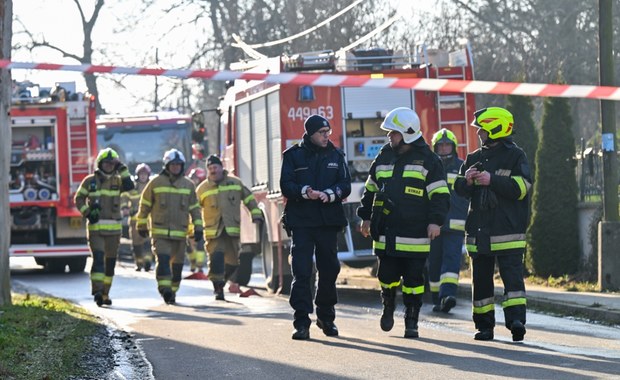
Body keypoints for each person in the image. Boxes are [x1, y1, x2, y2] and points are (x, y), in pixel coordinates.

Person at [357, 107, 449, 338]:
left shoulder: (429, 160)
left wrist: (435, 222)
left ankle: (411, 318)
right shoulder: (384, 155)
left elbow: (440, 195)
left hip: (415, 234)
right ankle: (388, 305)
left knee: (414, 280)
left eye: (394, 133)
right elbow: (370, 190)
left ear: (407, 134)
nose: (389, 137)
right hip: (386, 232)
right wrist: (365, 217)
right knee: (386, 276)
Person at [453, 107, 532, 342]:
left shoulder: (516, 156)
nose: (478, 134)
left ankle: (516, 322)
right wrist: (466, 180)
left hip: (508, 231)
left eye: (482, 129)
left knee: (513, 281)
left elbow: (522, 188)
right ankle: (484, 326)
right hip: (480, 231)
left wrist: (492, 180)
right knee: (481, 283)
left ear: (495, 129)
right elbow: (459, 190)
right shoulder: (473, 158)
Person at [280, 114, 351, 340]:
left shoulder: (336, 155)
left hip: (328, 222)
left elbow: (345, 185)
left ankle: (326, 317)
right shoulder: (293, 156)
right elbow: (286, 184)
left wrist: (330, 195)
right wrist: (306, 192)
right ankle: (301, 321)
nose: (326, 136)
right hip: (302, 222)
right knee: (301, 272)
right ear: (310, 134)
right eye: (321, 133)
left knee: (329, 270)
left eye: (328, 132)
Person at [136, 149, 203, 305]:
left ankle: (173, 290)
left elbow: (195, 208)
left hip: (180, 234)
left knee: (177, 268)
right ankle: (164, 289)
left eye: (179, 165)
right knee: (164, 260)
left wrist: (198, 227)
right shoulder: (155, 183)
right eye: (173, 165)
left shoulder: (188, 185)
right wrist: (141, 223)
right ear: (166, 165)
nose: (176, 168)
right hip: (160, 234)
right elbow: (144, 205)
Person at [195, 155, 264, 300]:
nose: (213, 171)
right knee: (216, 258)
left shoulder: (235, 183)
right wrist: (193, 229)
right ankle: (218, 288)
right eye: (210, 168)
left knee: (232, 263)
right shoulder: (202, 189)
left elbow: (249, 198)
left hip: (231, 231)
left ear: (222, 168)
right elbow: (193, 210)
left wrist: (256, 214)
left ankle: (221, 282)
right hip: (213, 232)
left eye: (215, 167)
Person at [75, 148, 134, 306]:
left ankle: (106, 294)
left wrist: (124, 170)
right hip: (96, 230)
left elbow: (130, 186)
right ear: (100, 163)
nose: (108, 166)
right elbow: (78, 199)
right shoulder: (90, 181)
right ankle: (98, 291)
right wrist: (87, 213)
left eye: (111, 163)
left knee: (110, 264)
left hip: (114, 231)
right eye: (106, 163)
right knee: (99, 260)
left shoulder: (118, 181)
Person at [428, 128, 469, 313]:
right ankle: (437, 298)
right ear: (435, 147)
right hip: (434, 225)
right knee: (434, 261)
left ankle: (448, 295)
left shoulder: (463, 166)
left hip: (455, 223)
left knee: (452, 260)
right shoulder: (429, 167)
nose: (444, 148)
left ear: (453, 147)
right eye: (441, 145)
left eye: (447, 145)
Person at [121, 163, 153, 272]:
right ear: (137, 175)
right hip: (135, 220)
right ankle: (139, 263)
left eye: (145, 174)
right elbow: (124, 197)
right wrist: (125, 207)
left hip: (149, 221)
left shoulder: (152, 187)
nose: (143, 176)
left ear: (148, 175)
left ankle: (148, 262)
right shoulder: (132, 188)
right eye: (141, 174)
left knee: (148, 242)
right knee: (136, 243)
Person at [186, 167, 208, 276]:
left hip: (199, 224)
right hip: (187, 224)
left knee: (200, 246)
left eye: (195, 178)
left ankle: (199, 266)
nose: (193, 181)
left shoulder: (203, 190)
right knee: (188, 247)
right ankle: (193, 263)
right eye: (192, 178)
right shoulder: (187, 189)